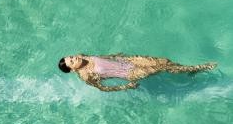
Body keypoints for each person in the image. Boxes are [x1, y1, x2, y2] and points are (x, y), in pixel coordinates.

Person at [58, 53, 217, 91]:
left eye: (71, 57)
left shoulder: (84, 55)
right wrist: (125, 87)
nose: (74, 59)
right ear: (72, 70)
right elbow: (103, 88)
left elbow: (104, 57)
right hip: (129, 74)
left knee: (164, 61)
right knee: (161, 68)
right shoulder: (86, 75)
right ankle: (196, 68)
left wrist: (116, 55)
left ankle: (187, 71)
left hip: (128, 61)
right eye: (71, 62)